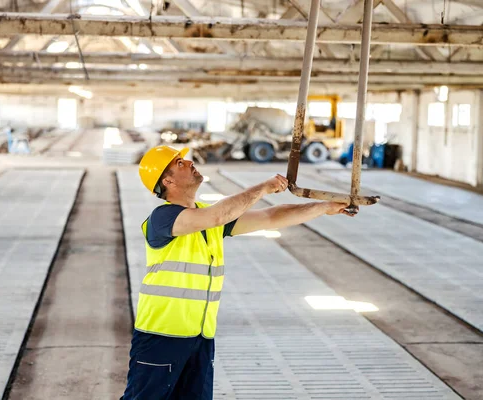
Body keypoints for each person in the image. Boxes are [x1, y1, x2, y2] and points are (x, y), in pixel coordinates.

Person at [121, 145, 354, 400]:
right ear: (167, 181)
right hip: (161, 335)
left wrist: (324, 207)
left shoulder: (205, 219)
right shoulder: (163, 218)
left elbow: (270, 217)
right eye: (178, 163)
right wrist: (263, 187)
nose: (188, 162)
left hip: (200, 338)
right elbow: (218, 215)